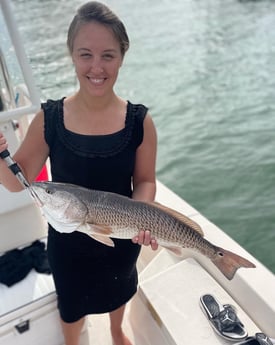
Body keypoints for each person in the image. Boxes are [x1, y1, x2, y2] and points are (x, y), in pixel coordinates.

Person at [0, 1, 158, 345]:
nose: (96, 67)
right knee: (70, 307)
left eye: (108, 55)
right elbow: (17, 181)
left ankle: (117, 331)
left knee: (121, 289)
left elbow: (145, 180)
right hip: (68, 242)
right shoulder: (49, 119)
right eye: (85, 54)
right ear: (71, 54)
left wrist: (143, 216)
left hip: (122, 238)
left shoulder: (140, 122)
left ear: (122, 56)